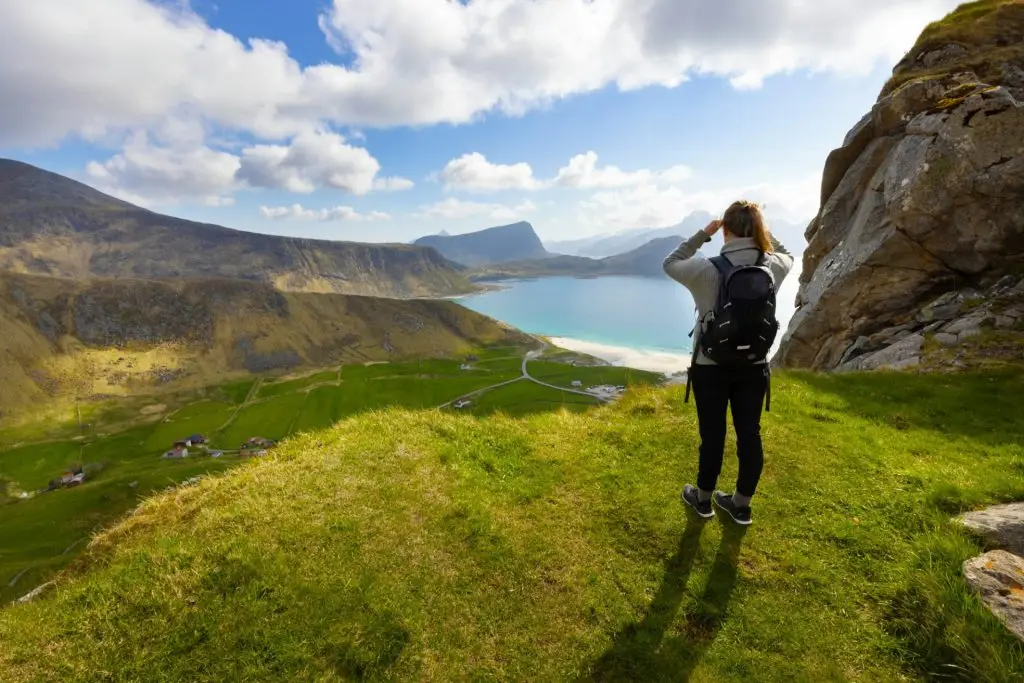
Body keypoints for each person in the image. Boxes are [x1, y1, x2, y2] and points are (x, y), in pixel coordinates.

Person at [662, 200, 794, 525]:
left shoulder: (705, 268)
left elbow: (670, 262)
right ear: (758, 229)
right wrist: (767, 236)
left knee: (713, 434)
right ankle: (741, 505)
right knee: (750, 434)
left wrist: (702, 235)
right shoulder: (774, 266)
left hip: (710, 366)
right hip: (753, 365)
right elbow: (789, 254)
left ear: (726, 230)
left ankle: (703, 500)